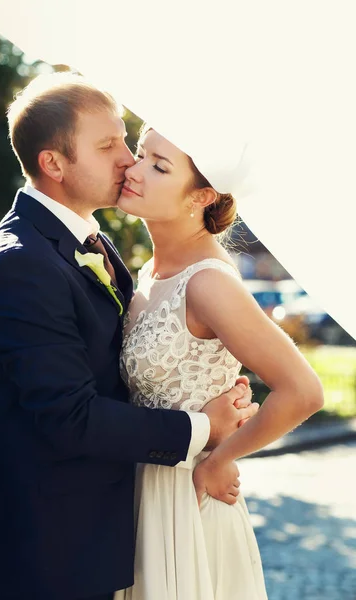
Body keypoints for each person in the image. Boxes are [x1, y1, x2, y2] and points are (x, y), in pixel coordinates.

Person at [0, 72, 258, 600]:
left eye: (126, 139)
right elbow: (69, 417)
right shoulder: (19, 264)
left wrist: (214, 385)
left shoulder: (86, 242)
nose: (128, 158)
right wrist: (202, 426)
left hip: (105, 539)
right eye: (107, 146)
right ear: (53, 164)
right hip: (49, 557)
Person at [114, 125, 325, 599]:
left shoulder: (209, 283)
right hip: (137, 493)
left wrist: (222, 459)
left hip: (188, 501)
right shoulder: (150, 273)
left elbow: (303, 390)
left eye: (158, 166)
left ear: (201, 196)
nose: (134, 169)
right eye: (141, 154)